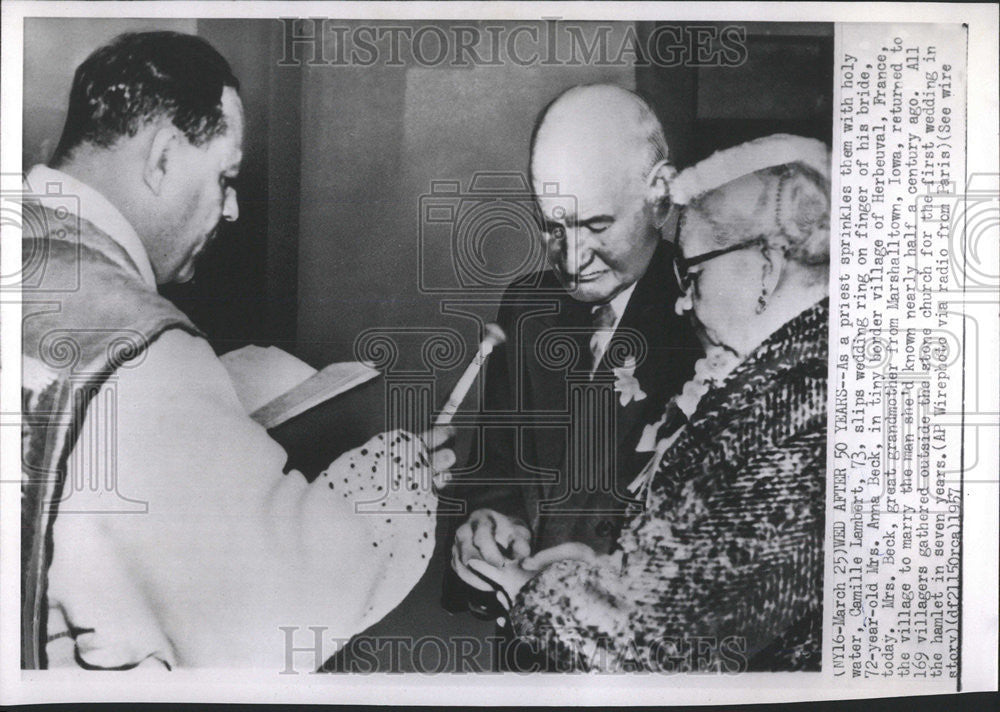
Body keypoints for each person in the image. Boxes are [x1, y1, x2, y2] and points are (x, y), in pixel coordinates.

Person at [20, 31, 452, 670]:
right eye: (224, 177)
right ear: (163, 157)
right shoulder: (140, 355)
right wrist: (395, 484)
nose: (231, 209)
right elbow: (278, 601)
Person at [466, 134, 831, 672]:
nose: (683, 299)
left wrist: (539, 595)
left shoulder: (804, 411)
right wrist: (586, 570)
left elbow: (660, 647)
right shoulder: (780, 380)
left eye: (695, 273)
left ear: (769, 269)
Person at [448, 85, 701, 621]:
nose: (573, 257)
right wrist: (492, 521)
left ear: (659, 194)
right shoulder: (527, 306)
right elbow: (497, 468)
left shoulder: (706, 315)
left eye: (596, 225)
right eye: (553, 226)